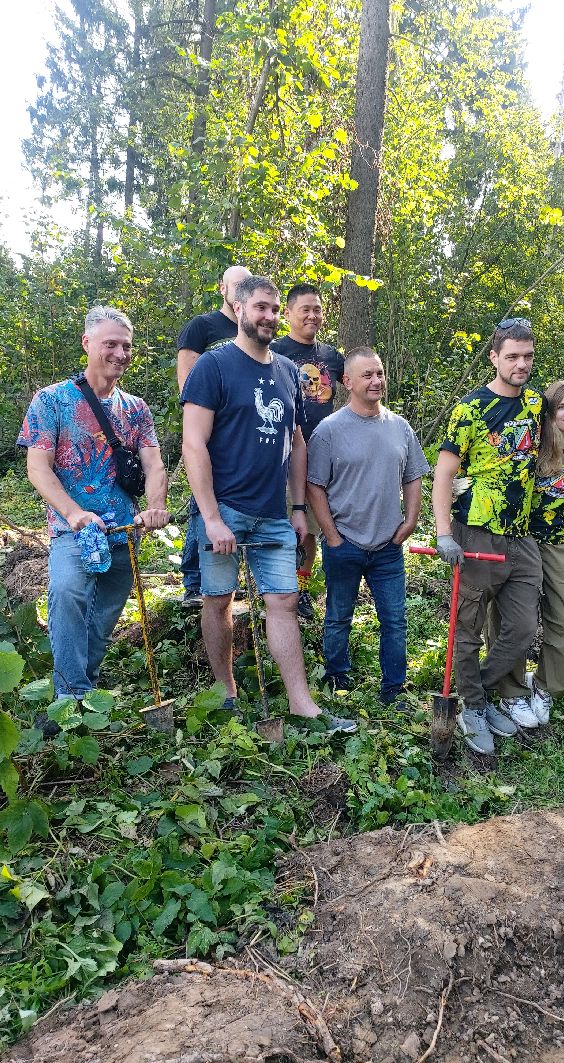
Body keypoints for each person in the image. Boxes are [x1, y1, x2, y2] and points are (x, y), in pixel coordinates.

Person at [181, 274, 355, 732]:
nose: (269, 317)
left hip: (273, 513)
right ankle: (226, 694)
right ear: (238, 309)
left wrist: (299, 508)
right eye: (261, 307)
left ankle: (303, 706)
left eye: (274, 309)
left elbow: (296, 441)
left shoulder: (286, 371)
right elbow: (193, 444)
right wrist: (212, 518)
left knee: (284, 599)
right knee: (218, 601)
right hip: (224, 511)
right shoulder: (213, 367)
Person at [17, 306, 170, 699]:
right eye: (110, 344)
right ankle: (70, 700)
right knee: (68, 594)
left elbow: (153, 462)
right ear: (87, 344)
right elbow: (38, 467)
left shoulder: (135, 409)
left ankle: (84, 688)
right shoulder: (51, 401)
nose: (120, 353)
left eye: (127, 346)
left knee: (102, 619)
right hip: (74, 530)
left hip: (124, 531)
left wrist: (155, 505)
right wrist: (75, 514)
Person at [430, 318, 546, 755]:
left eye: (527, 356)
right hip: (476, 534)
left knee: (520, 629)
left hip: (522, 535)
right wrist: (444, 533)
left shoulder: (537, 404)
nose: (521, 364)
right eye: (512, 356)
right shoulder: (471, 409)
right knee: (469, 627)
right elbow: (444, 472)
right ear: (494, 357)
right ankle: (474, 708)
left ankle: (472, 691)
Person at [306, 347, 430, 705]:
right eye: (367, 375)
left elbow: (413, 475)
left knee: (394, 621)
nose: (376, 381)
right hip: (345, 543)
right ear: (346, 382)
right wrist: (330, 535)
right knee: (338, 616)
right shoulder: (329, 431)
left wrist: (410, 519)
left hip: (388, 546)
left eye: (379, 373)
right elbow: (314, 484)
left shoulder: (400, 427)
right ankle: (337, 679)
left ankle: (394, 688)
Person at [491, 381, 564, 727]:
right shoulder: (535, 446)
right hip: (519, 539)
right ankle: (511, 693)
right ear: (550, 412)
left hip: (559, 543)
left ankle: (544, 687)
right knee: (513, 620)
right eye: (561, 407)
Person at [176, 265, 252, 607]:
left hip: (243, 434)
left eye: (245, 286)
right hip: (209, 428)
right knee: (201, 500)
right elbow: (187, 379)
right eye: (235, 285)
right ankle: (194, 582)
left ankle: (237, 581)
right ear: (222, 288)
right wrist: (198, 423)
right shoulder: (202, 327)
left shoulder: (253, 328)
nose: (239, 291)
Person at [273, 284, 345, 620]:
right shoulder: (273, 350)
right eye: (305, 309)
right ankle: (273, 590)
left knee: (310, 528)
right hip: (279, 454)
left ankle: (300, 592)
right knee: (281, 523)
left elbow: (360, 383)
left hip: (320, 454)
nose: (312, 315)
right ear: (287, 313)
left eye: (317, 309)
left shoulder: (331, 356)